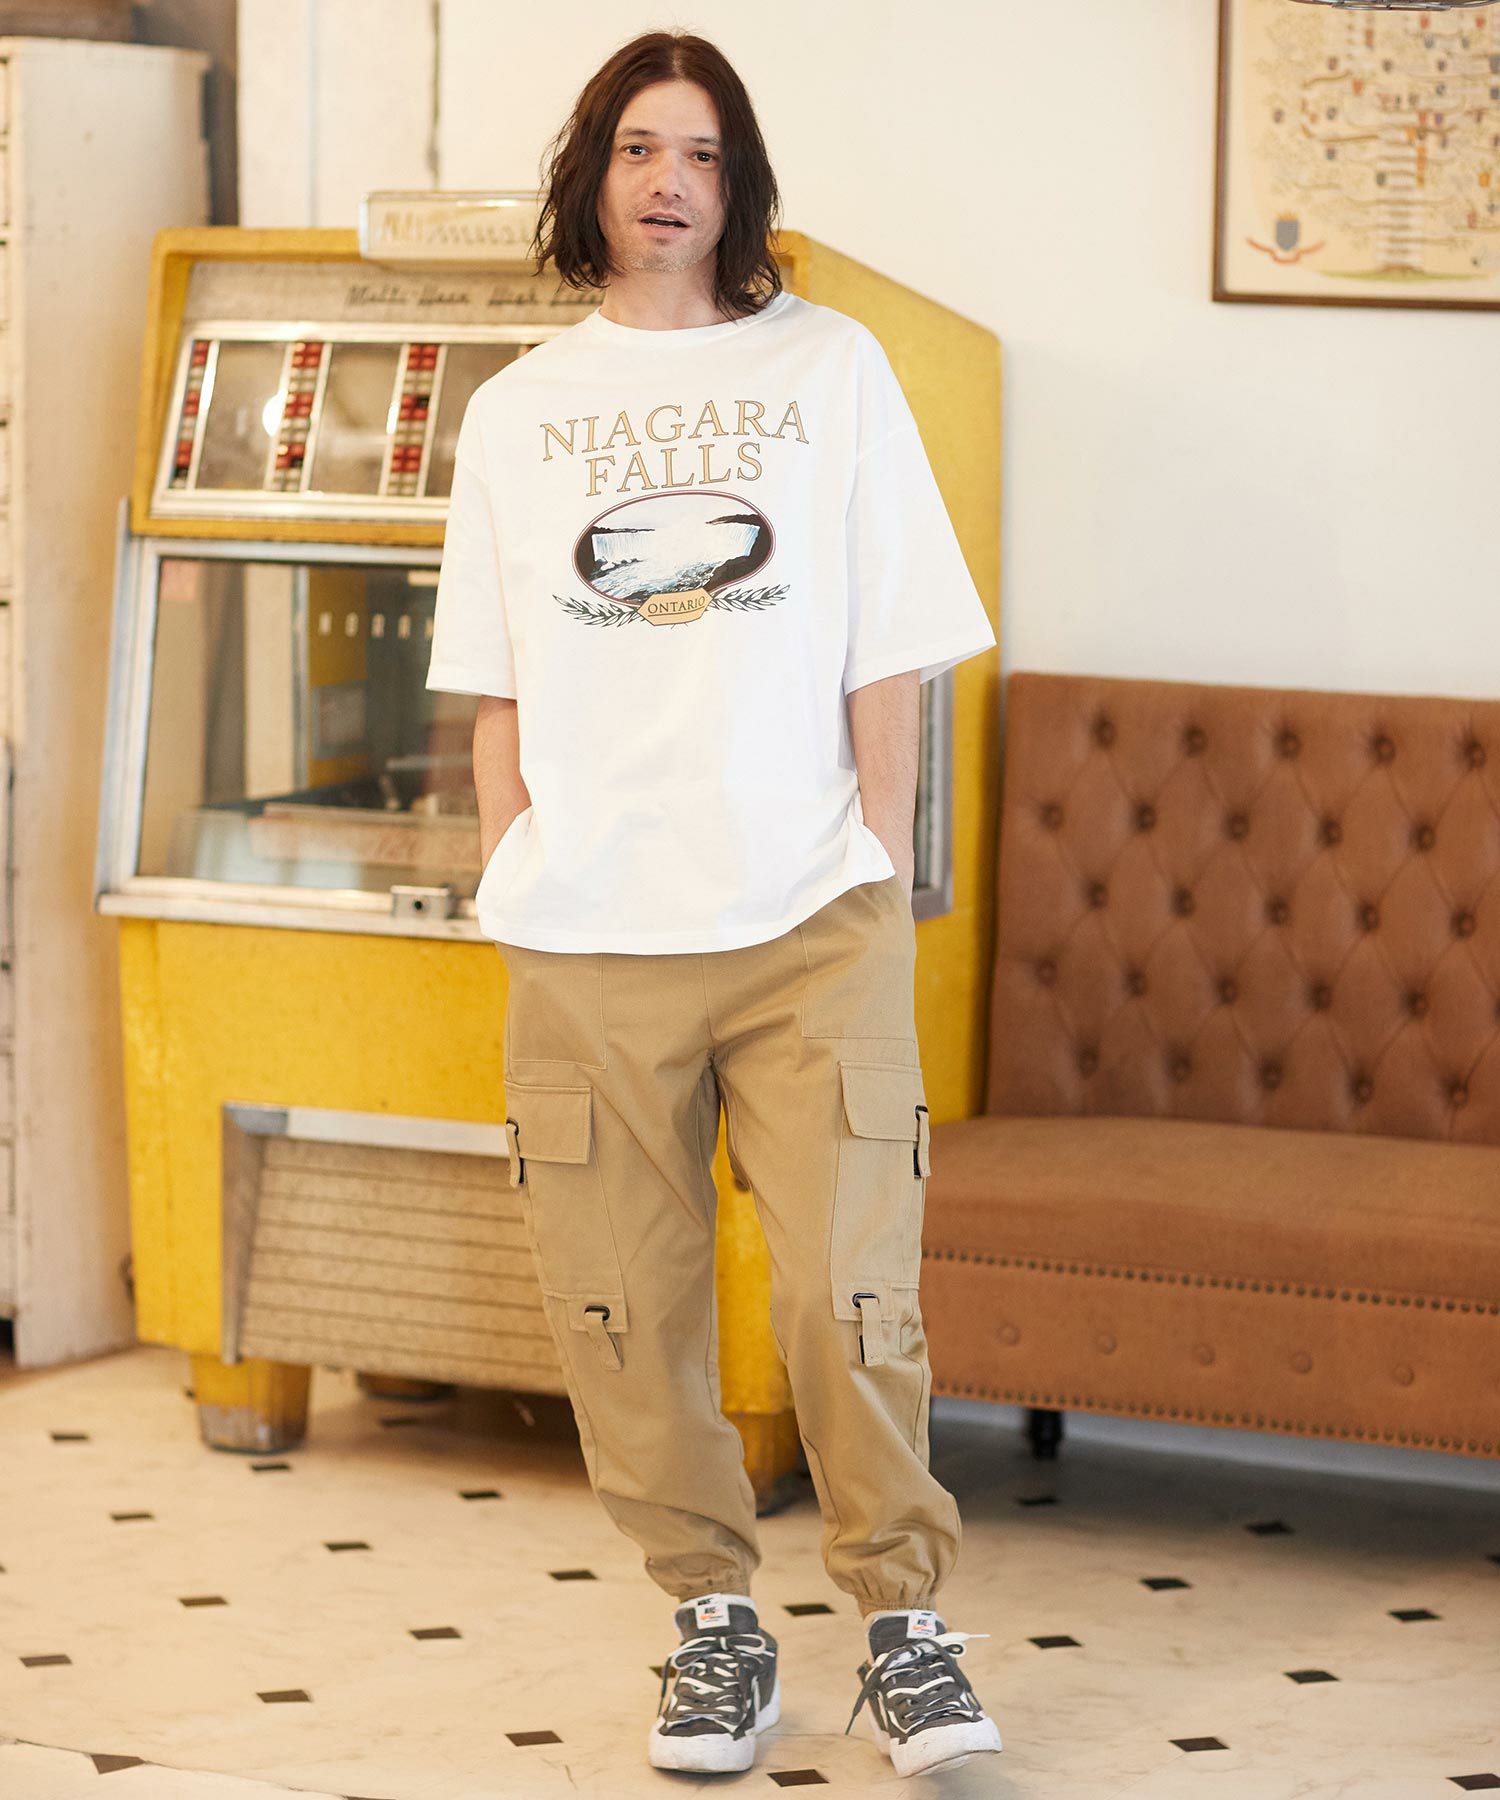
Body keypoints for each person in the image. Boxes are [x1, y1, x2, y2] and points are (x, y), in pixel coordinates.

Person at [425, 27, 1002, 1781]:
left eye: (699, 152)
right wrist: (520, 871)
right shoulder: (519, 411)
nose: (668, 181)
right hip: (590, 937)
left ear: (737, 182)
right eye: (636, 148)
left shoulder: (833, 366)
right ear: (590, 177)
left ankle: (902, 1628)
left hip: (808, 916)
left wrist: (877, 865)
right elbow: (492, 687)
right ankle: (710, 1627)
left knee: (850, 1295)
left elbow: (895, 648)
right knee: (622, 1310)